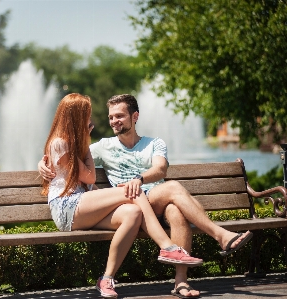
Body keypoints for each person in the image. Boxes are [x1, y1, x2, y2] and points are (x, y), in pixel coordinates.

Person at [39, 94, 253, 299]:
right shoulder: (102, 146)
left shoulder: (155, 143)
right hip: (130, 198)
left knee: (173, 209)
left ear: (135, 116)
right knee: (150, 192)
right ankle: (214, 237)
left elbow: (160, 170)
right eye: (111, 117)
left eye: (119, 116)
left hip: (149, 199)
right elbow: (63, 158)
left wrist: (139, 179)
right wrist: (42, 164)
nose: (113, 121)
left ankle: (180, 282)